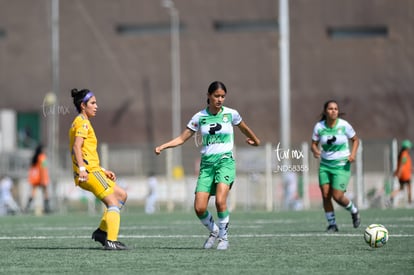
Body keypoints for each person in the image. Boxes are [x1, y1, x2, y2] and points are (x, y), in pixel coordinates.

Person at [154, 81, 260, 250]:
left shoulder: (231, 114)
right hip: (207, 166)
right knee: (199, 207)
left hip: (225, 162)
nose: (220, 99)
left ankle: (224, 239)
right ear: (209, 96)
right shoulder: (199, 117)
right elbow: (182, 138)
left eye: (223, 96)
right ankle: (214, 231)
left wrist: (256, 140)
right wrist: (163, 146)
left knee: (220, 201)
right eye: (216, 96)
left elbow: (244, 128)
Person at [69, 88, 128, 250]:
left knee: (122, 195)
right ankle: (111, 241)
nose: (96, 106)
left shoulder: (82, 121)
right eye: (93, 103)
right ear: (83, 105)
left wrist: (103, 170)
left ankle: (102, 232)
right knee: (113, 203)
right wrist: (82, 169)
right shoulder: (82, 122)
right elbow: (77, 147)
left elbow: (87, 153)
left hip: (93, 170)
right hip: (89, 173)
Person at [311, 100, 361, 232]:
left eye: (336, 109)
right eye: (330, 108)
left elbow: (355, 140)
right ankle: (332, 224)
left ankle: (354, 210)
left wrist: (353, 154)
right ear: (325, 111)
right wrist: (315, 150)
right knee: (325, 195)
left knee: (337, 196)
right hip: (325, 166)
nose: (333, 111)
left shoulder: (344, 125)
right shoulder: (319, 127)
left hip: (341, 166)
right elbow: (313, 144)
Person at [25, 144, 51, 213]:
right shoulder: (42, 157)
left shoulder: (35, 157)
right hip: (41, 177)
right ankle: (47, 208)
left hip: (35, 178)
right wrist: (43, 179)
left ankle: (27, 207)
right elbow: (43, 168)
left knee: (33, 192)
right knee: (45, 192)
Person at [389, 139, 412, 206]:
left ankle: (391, 196)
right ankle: (410, 202)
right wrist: (399, 172)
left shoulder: (403, 153)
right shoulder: (404, 154)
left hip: (403, 174)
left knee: (401, 188)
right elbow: (402, 164)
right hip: (405, 174)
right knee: (409, 187)